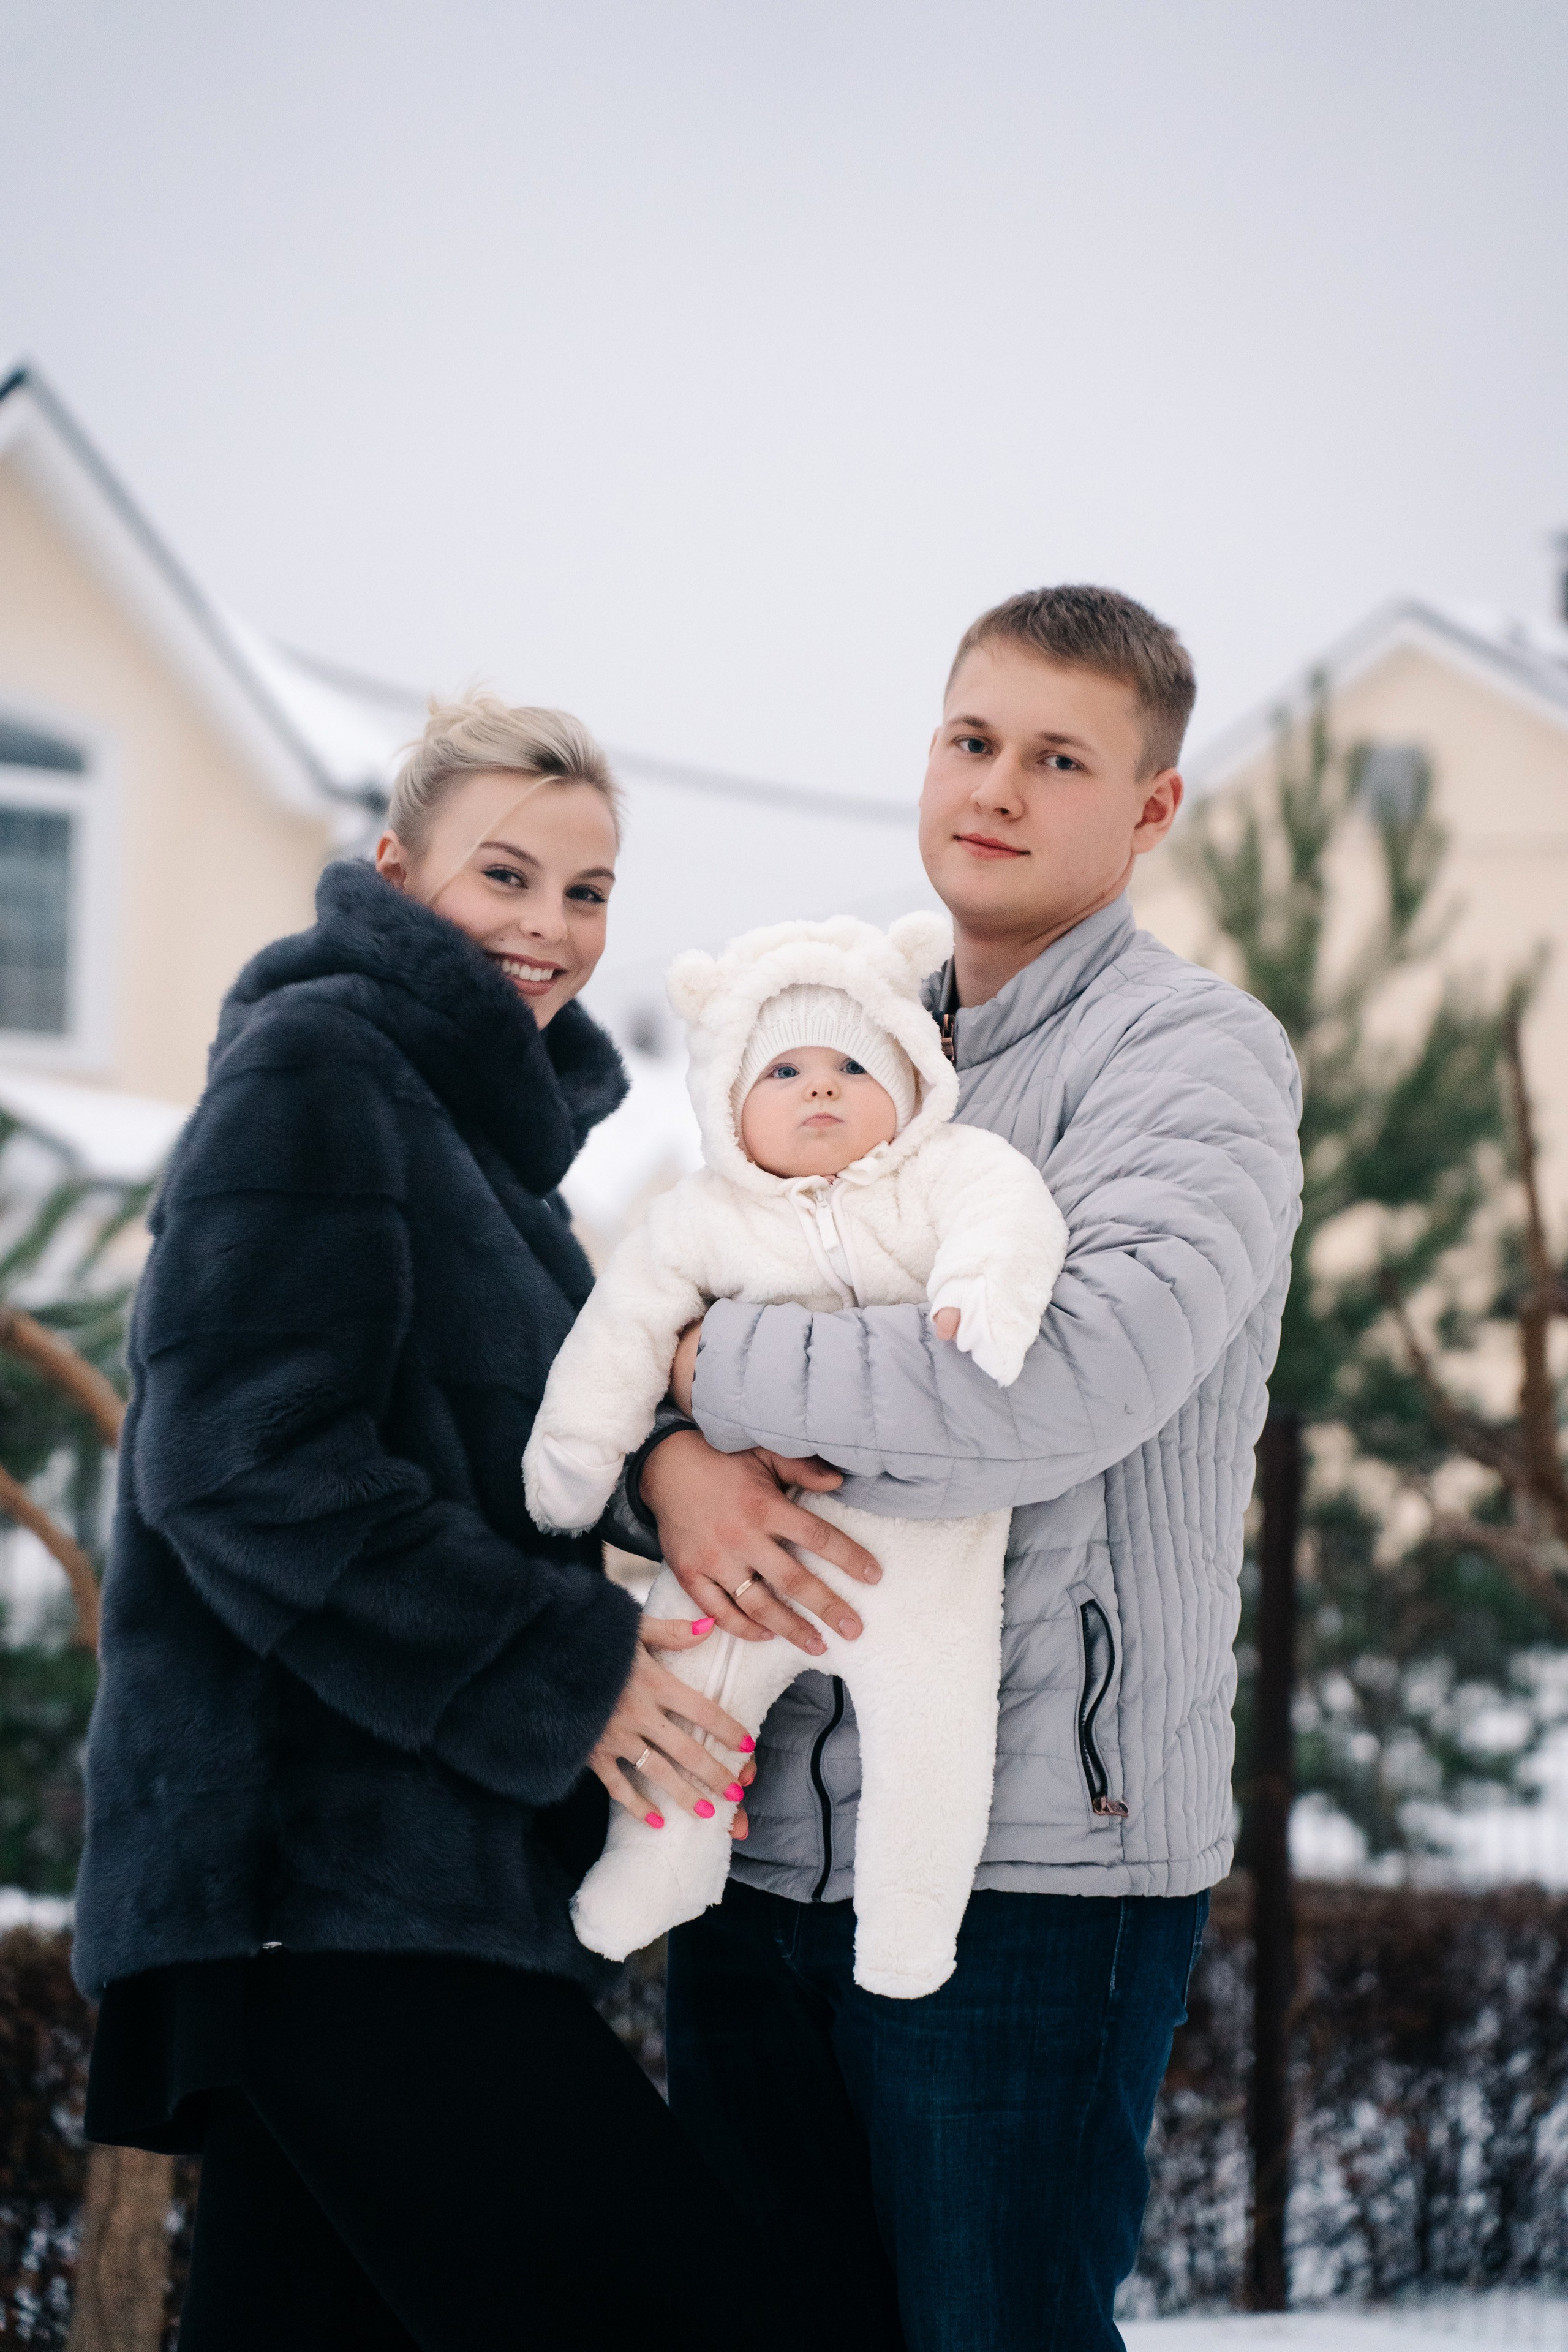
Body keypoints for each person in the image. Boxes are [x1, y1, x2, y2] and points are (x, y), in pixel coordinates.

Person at [628, 587, 1305, 2351]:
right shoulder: (846, 1028)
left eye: (1059, 758)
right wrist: (665, 1462)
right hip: (765, 1839)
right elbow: (641, 1282)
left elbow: (1051, 1389)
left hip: (1039, 1869)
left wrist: (714, 1372)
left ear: (1150, 807)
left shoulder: (1194, 1062)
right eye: (972, 740)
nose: (996, 789)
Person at [72, 697, 779, 2352]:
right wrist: (564, 1670)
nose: (551, 928)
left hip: (395, 1881)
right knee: (700, 2312)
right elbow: (243, 1462)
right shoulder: (321, 1069)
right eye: (507, 876)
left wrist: (665, 1456)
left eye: (589, 892)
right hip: (319, 1878)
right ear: (397, 873)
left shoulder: (477, 1143)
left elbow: (494, 1434)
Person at [523, 913, 1065, 1995]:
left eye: (854, 1066)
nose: (822, 1088)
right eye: (784, 1070)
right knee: (694, 1695)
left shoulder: (948, 1171)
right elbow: (621, 1331)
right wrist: (578, 1463)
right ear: (728, 1103)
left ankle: (910, 1931)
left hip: (924, 1566)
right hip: (740, 1555)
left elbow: (1012, 1217)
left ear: (911, 1082)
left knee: (935, 1746)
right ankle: (661, 1866)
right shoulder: (699, 1218)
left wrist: (978, 1293)